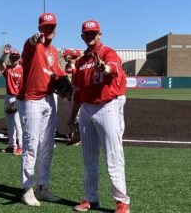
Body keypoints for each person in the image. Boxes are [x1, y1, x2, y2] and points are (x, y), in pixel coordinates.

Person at [69, 20, 130, 213]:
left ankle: (122, 202)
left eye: (93, 33)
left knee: (113, 155)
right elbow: (77, 93)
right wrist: (72, 117)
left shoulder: (107, 52)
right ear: (82, 36)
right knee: (89, 157)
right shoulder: (81, 62)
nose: (90, 36)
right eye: (86, 33)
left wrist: (104, 67)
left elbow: (112, 67)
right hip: (86, 109)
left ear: (100, 35)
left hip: (107, 106)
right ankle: (91, 198)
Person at [17, 13, 66, 207]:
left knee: (48, 145)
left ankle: (43, 188)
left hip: (49, 100)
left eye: (52, 26)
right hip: (33, 101)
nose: (49, 30)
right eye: (45, 27)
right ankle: (27, 189)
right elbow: (28, 46)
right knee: (31, 146)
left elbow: (58, 74)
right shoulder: (33, 46)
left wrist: (65, 83)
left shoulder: (54, 51)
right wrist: (33, 38)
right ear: (39, 28)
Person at [0, 47, 23, 156]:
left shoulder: (23, 69)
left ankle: (21, 146)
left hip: (18, 97)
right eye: (12, 57)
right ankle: (12, 145)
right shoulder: (8, 70)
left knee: (18, 124)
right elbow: (0, 62)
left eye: (16, 57)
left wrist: (20, 100)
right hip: (8, 97)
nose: (14, 59)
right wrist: (4, 54)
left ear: (19, 58)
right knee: (10, 124)